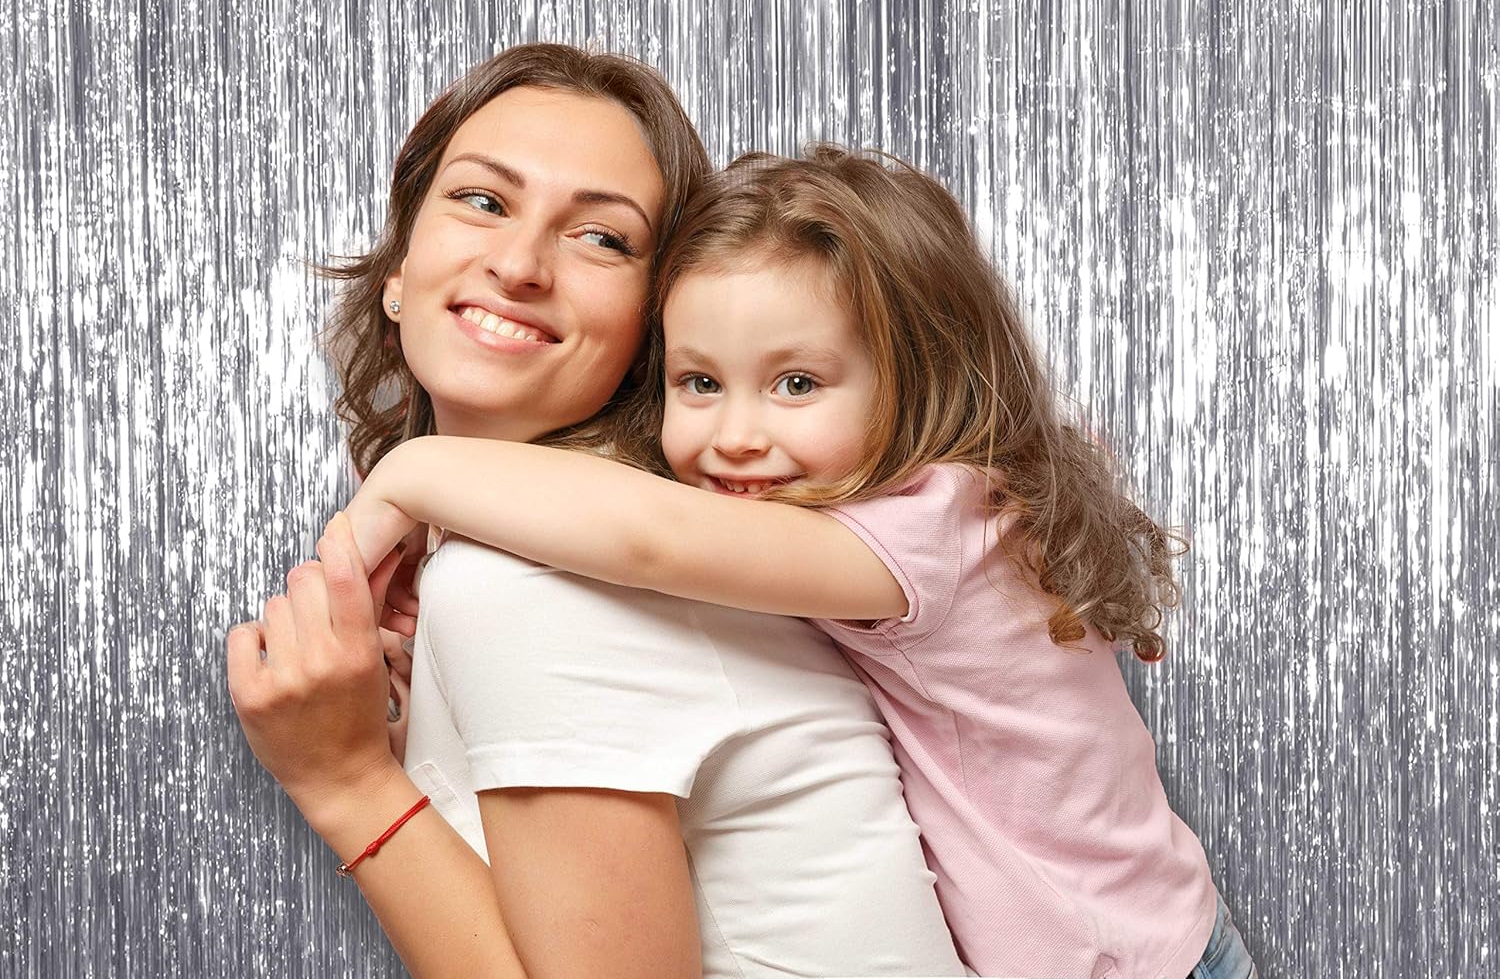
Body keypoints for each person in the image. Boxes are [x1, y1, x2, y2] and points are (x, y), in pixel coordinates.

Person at [341, 147, 1261, 979]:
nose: (737, 437)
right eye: (700, 382)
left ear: (917, 376)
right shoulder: (842, 518)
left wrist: (409, 475)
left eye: (797, 384)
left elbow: (649, 540)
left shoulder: (941, 525)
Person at [227, 47, 966, 978]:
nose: (520, 263)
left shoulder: (532, 583)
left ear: (654, 326)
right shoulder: (517, 556)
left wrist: (345, 783)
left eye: (603, 239)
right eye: (482, 201)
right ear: (398, 270)